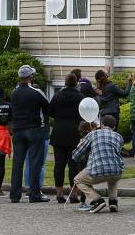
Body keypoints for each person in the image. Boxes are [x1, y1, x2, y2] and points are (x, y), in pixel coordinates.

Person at [9, 65, 51, 203]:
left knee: (17, 163)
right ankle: (34, 194)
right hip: (34, 129)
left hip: (18, 130)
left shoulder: (14, 92)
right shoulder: (36, 92)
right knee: (35, 163)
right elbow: (48, 108)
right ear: (30, 77)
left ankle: (14, 194)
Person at [72, 114, 125, 213]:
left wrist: (79, 146)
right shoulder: (119, 137)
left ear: (101, 124)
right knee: (112, 176)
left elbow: (76, 155)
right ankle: (113, 202)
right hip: (117, 172)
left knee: (78, 180)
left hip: (97, 172)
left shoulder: (92, 134)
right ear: (114, 127)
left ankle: (97, 200)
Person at [50, 73, 84, 202]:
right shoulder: (80, 97)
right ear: (76, 83)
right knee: (73, 165)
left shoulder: (57, 96)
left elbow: (50, 111)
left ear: (65, 82)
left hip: (58, 132)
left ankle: (59, 193)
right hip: (74, 133)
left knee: (59, 165)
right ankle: (74, 193)